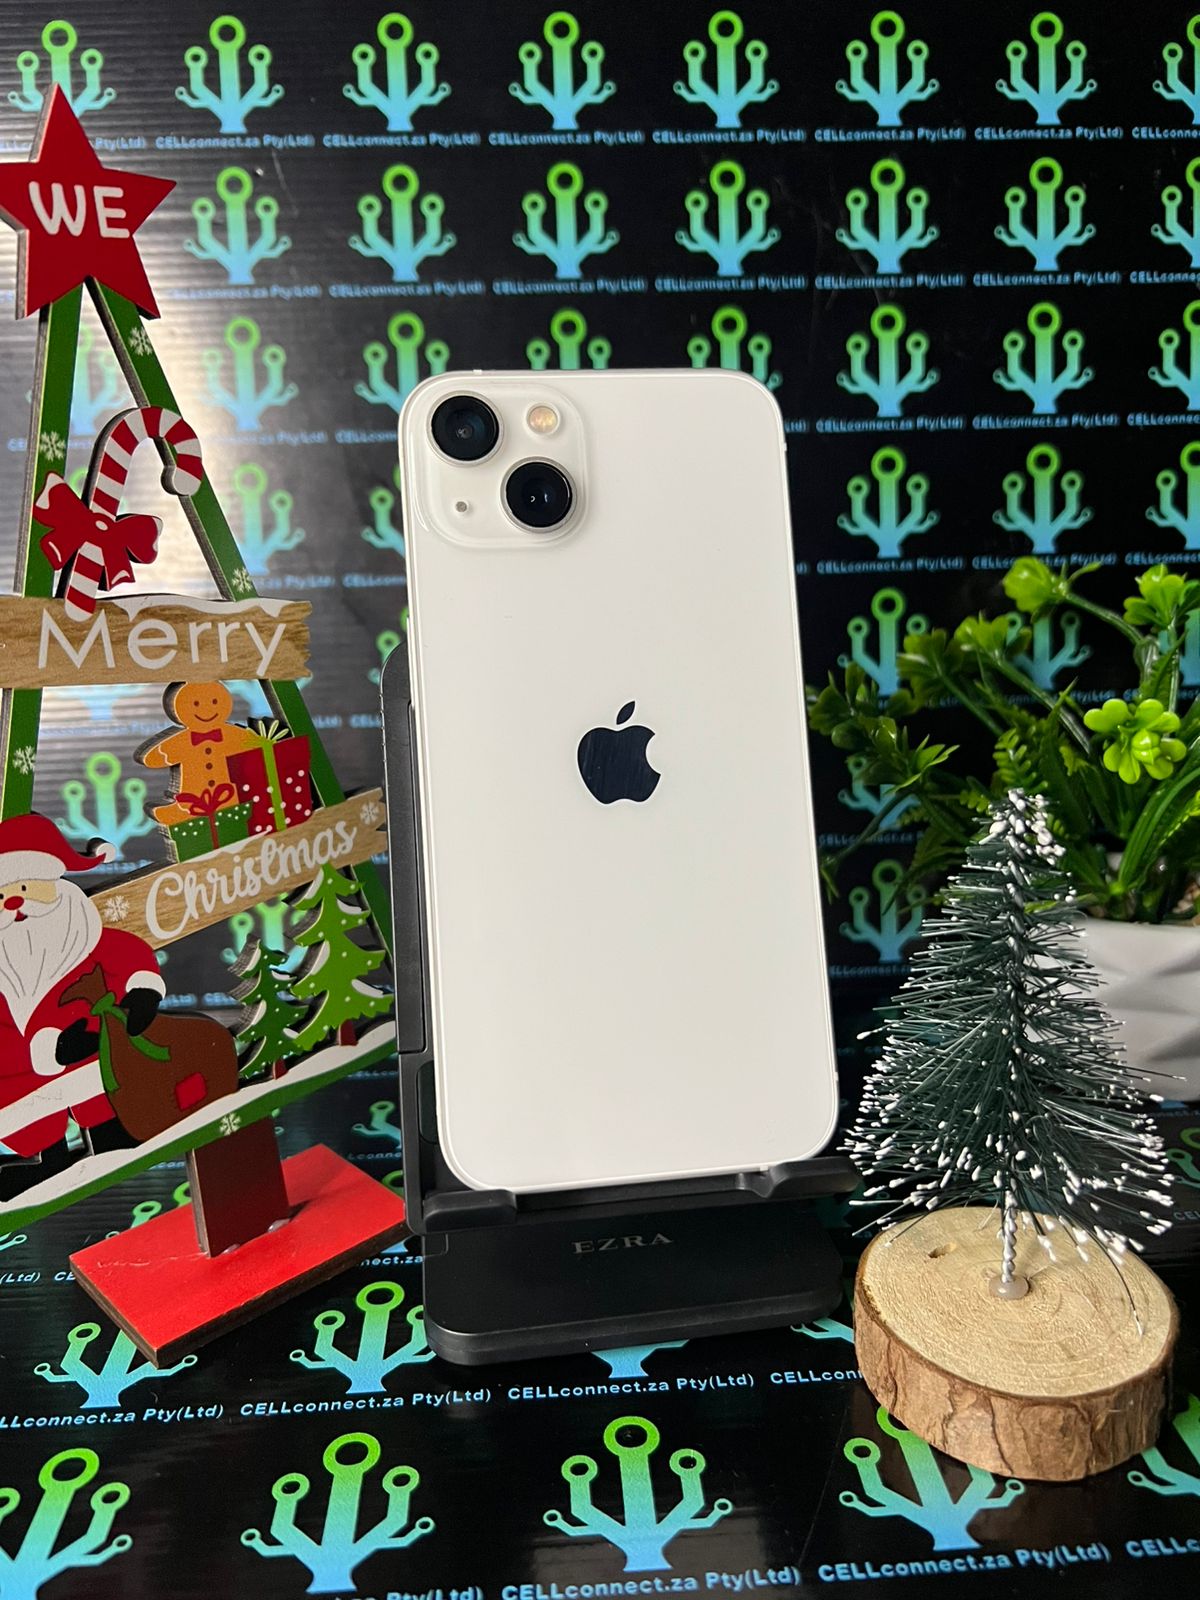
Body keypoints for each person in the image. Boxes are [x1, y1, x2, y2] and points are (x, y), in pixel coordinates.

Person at [0, 814, 164, 1197]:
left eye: (25, 887)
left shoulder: (82, 938)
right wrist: (43, 1051)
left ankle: (111, 1133)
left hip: (95, 1042)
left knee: (105, 1081)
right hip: (22, 1069)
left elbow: (127, 956)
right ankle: (48, 1159)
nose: (16, 903)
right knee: (17, 1099)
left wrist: (141, 994)